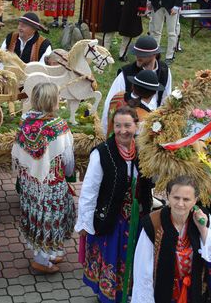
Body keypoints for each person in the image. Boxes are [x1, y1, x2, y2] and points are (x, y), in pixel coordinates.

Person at [76, 105, 153, 303]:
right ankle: (108, 295)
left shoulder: (143, 150)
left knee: (136, 256)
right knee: (112, 255)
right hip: (111, 218)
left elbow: (151, 179)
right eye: (118, 126)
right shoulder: (101, 153)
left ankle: (129, 293)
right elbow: (89, 191)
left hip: (138, 217)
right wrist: (85, 222)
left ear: (136, 126)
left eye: (127, 125)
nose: (122, 130)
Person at [12, 82, 75, 273]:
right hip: (51, 183)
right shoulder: (59, 127)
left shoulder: (26, 123)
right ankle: (42, 259)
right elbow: (68, 158)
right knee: (51, 217)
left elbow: (18, 153)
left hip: (30, 182)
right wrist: (69, 175)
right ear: (53, 101)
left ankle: (50, 252)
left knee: (35, 216)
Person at [132, 176, 211, 302]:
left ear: (195, 200)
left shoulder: (202, 217)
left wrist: (203, 229)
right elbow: (142, 274)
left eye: (186, 199)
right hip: (163, 294)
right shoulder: (153, 223)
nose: (180, 204)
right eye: (176, 197)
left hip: (192, 292)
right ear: (168, 196)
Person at [101, 36, 171, 136]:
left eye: (142, 54)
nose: (138, 56)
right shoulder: (125, 74)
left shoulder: (165, 71)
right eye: (137, 53)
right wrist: (105, 134)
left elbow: (166, 99)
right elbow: (110, 105)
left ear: (154, 55)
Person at [105, 69, 162, 137]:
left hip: (109, 144)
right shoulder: (147, 119)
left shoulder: (117, 97)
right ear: (154, 93)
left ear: (133, 86)